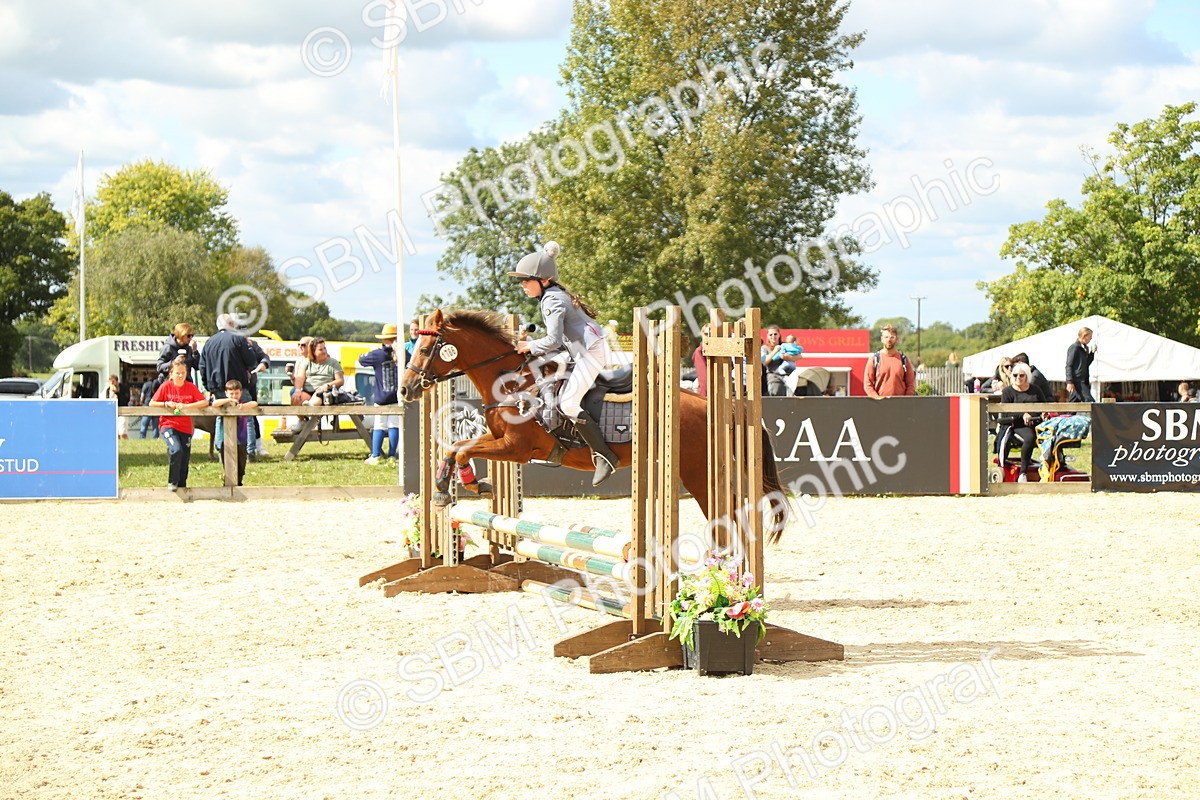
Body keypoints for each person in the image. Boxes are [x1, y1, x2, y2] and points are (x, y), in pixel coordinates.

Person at [510, 242, 617, 486]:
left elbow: (554, 340)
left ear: (543, 280)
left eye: (526, 280)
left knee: (568, 403)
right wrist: (533, 348)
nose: (523, 285)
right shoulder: (553, 295)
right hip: (580, 350)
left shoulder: (552, 300)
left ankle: (605, 456)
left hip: (590, 352)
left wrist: (529, 346)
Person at [199, 313, 259, 453]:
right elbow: (251, 361)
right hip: (238, 387)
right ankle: (249, 450)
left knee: (220, 416)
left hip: (217, 386)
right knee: (247, 416)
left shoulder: (209, 342)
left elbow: (202, 367)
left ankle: (220, 447)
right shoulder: (238, 339)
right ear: (231, 324)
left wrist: (208, 386)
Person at [150, 357, 209, 491]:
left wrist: (187, 406)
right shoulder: (165, 386)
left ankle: (182, 486)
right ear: (171, 374)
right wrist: (166, 404)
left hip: (186, 428)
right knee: (176, 450)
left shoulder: (191, 387)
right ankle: (172, 481)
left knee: (185, 458)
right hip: (168, 425)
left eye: (183, 373)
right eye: (177, 373)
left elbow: (204, 402)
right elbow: (152, 403)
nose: (181, 376)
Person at [997, 362, 1048, 483]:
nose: (1018, 378)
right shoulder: (1008, 392)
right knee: (1030, 437)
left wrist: (1042, 414)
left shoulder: (1035, 390)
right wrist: (1023, 414)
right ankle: (1023, 473)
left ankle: (1052, 466)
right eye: (1015, 375)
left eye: (1021, 375)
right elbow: (1005, 413)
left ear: (1027, 376)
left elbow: (1043, 406)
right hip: (1017, 424)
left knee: (1053, 435)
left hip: (1036, 422)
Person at [358, 323, 401, 464]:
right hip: (397, 396)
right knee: (394, 425)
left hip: (381, 397)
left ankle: (376, 455)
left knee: (379, 425)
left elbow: (361, 359)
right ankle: (392, 456)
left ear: (383, 339)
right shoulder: (402, 353)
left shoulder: (377, 354)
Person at [212, 379, 259, 486]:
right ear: (226, 393)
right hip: (226, 439)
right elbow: (214, 403)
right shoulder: (223, 404)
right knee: (227, 463)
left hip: (241, 440)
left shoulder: (242, 403)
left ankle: (239, 482)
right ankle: (228, 484)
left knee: (241, 464)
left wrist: (244, 406)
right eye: (231, 393)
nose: (234, 396)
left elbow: (254, 403)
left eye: (236, 393)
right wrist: (228, 400)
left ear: (241, 393)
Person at [864, 324, 916, 397]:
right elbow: (868, 385)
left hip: (900, 402)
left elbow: (911, 384)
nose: (889, 340)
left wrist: (906, 400)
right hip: (880, 402)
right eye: (886, 337)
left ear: (897, 339)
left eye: (892, 337)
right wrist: (877, 399)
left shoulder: (904, 359)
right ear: (882, 339)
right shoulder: (874, 359)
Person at [760, 326, 802, 397]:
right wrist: (775, 350)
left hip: (789, 376)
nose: (773, 336)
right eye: (770, 335)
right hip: (774, 377)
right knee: (776, 396)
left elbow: (799, 356)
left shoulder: (785, 345)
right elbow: (764, 362)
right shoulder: (764, 348)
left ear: (779, 335)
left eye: (775, 334)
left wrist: (787, 357)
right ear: (767, 336)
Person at [1065, 326, 1096, 402]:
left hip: (1082, 380)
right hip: (1077, 380)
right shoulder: (1074, 347)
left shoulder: (1084, 348)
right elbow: (1069, 365)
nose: (1091, 338)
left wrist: (1092, 353)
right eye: (1090, 336)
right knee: (1090, 401)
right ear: (1084, 336)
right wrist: (1069, 381)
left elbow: (1086, 364)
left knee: (1074, 403)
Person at [105, 375, 129, 439]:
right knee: (116, 433)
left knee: (122, 432)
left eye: (113, 381)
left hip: (122, 411)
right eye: (110, 382)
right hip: (112, 412)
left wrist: (117, 393)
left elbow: (126, 400)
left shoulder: (124, 388)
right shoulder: (108, 390)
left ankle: (125, 443)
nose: (112, 383)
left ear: (117, 381)